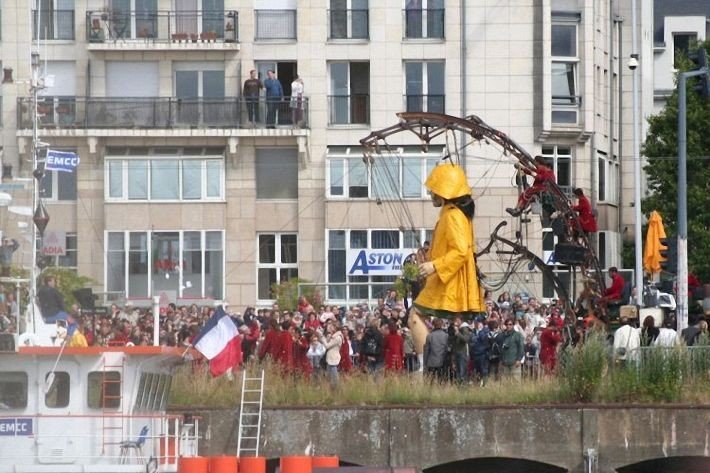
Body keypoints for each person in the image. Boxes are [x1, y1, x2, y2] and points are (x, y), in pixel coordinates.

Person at [408, 163, 485, 370]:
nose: (431, 193)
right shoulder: (454, 213)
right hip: (449, 277)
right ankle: (431, 365)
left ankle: (425, 366)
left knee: (415, 315)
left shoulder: (452, 215)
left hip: (448, 278)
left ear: (444, 192)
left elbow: (460, 251)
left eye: (435, 189)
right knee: (423, 315)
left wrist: (434, 265)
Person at [318, 321, 343, 386]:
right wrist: (321, 336)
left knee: (334, 377)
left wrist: (323, 338)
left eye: (332, 326)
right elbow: (324, 342)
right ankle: (330, 388)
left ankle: (336, 388)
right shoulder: (333, 336)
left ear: (335, 328)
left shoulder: (337, 337)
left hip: (333, 358)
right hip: (330, 358)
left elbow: (327, 346)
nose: (330, 327)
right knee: (328, 376)